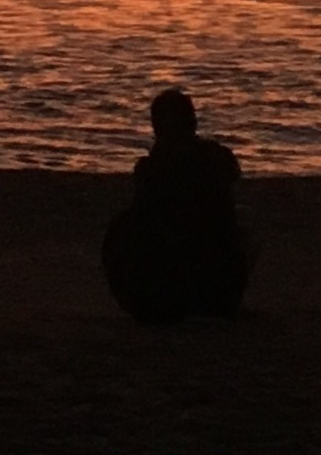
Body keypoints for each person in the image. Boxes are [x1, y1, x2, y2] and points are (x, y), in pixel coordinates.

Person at [103, 88, 253, 321]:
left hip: (163, 294)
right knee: (244, 222)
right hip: (211, 290)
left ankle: (141, 298)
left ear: (156, 126)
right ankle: (221, 297)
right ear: (192, 121)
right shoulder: (218, 157)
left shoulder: (149, 168)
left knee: (122, 226)